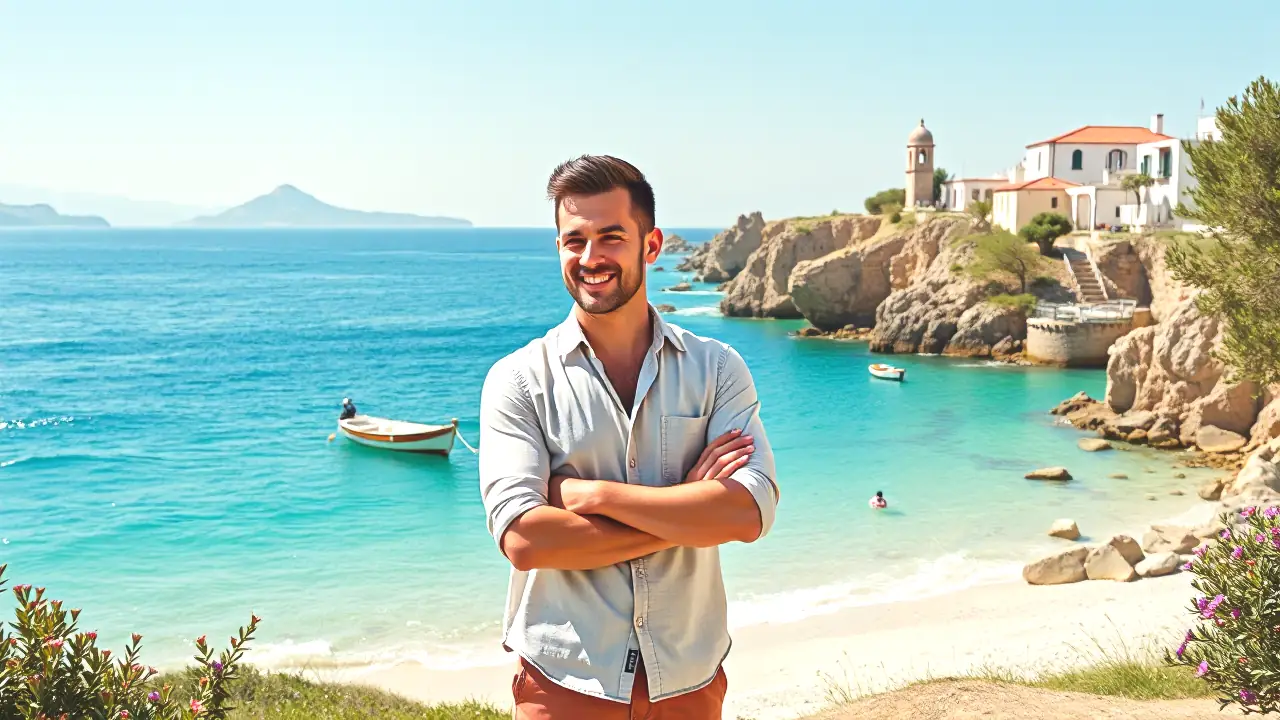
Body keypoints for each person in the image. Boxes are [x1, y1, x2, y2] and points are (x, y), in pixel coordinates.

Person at [478, 155, 780, 719]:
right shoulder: (517, 380)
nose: (590, 258)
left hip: (688, 682)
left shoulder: (717, 369)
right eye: (575, 240)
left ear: (652, 244)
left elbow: (747, 514)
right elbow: (525, 541)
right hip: (564, 684)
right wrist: (686, 509)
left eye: (611, 237)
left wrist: (591, 496)